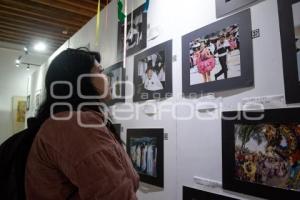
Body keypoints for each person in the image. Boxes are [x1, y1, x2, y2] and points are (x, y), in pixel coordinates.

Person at [25, 48, 139, 200]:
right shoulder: (73, 125)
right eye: (100, 72)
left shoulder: (66, 121)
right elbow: (114, 194)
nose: (107, 77)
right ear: (79, 80)